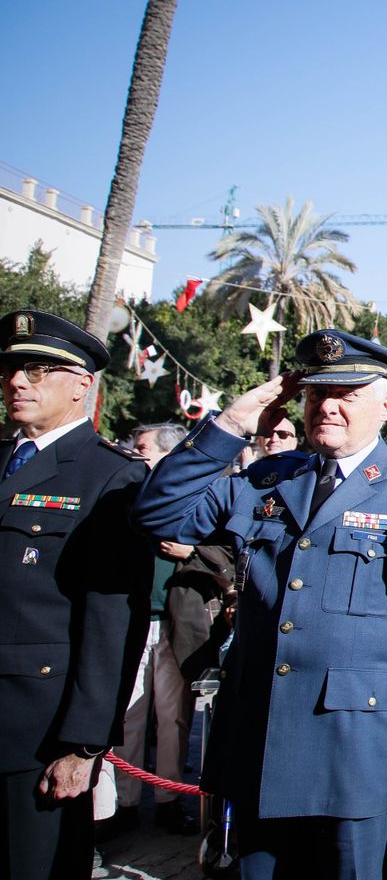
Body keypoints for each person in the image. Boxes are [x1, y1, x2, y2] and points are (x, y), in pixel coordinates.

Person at [131, 329, 387, 878]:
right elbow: (158, 515)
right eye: (316, 394)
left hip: (356, 748)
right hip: (257, 738)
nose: (326, 407)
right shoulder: (266, 479)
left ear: (385, 406)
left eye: (346, 394)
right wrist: (230, 425)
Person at [0, 310, 152, 880]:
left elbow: (112, 620)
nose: (17, 382)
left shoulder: (110, 476)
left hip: (37, 729)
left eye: (36, 371)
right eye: (12, 370)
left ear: (82, 385)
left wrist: (85, 745)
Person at [94, 422, 204, 839]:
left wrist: (191, 551)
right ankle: (123, 803)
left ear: (170, 455)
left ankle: (168, 800)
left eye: (143, 448)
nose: (135, 454)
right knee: (129, 716)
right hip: (132, 621)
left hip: (176, 624)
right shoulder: (123, 494)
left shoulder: (193, 497)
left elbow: (224, 549)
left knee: (173, 719)